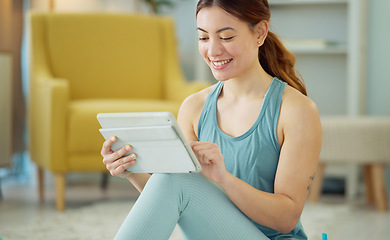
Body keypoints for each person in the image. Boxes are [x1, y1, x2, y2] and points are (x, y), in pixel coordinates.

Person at [100, 0, 322, 239]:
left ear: (260, 32)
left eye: (226, 37)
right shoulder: (194, 107)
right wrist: (131, 169)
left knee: (177, 178)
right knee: (173, 178)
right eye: (204, 38)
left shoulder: (296, 110)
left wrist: (224, 179)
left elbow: (286, 219)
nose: (213, 51)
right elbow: (174, 196)